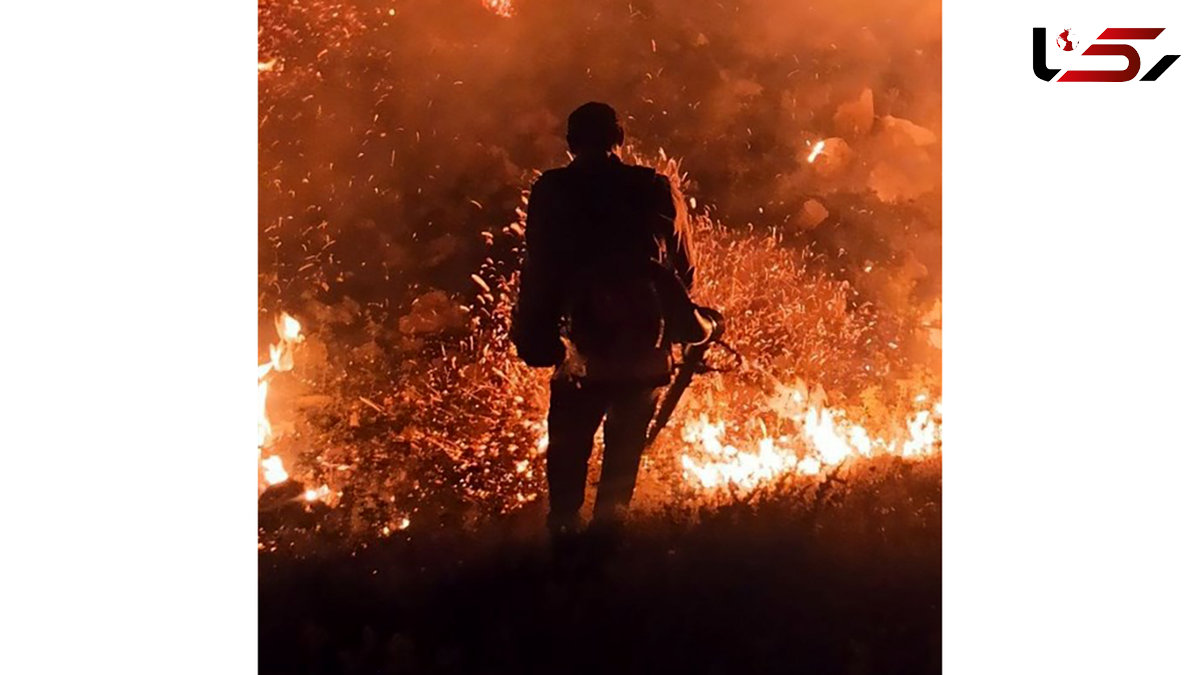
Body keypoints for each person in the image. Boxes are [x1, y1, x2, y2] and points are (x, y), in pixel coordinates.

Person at [512, 102, 698, 543]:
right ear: (621, 139)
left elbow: (540, 267)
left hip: (582, 347)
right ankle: (609, 547)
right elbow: (684, 268)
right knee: (624, 452)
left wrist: (533, 334)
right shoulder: (655, 186)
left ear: (571, 143)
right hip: (644, 346)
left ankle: (563, 543)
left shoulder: (553, 189)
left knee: (569, 448)